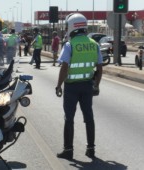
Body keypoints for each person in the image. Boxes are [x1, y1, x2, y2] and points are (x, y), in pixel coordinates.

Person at [55, 13, 103, 160]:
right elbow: (100, 68)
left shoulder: (70, 45)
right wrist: (96, 85)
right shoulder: (94, 44)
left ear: (71, 27)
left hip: (71, 88)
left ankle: (68, 150)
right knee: (89, 117)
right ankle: (91, 149)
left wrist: (58, 85)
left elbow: (64, 67)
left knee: (69, 118)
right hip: (88, 86)